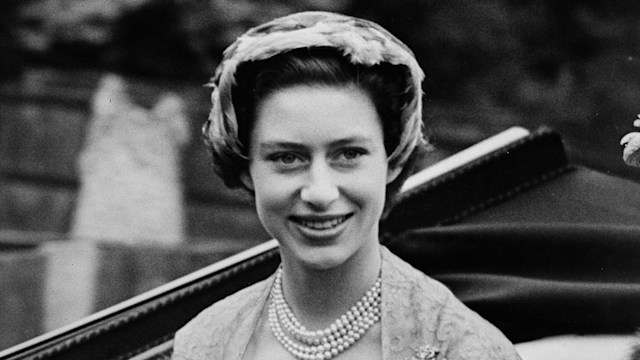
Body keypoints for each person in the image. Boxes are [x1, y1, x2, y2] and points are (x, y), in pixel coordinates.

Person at [172, 11, 521, 360]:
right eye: (287, 158)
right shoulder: (206, 343)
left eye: (349, 154)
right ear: (246, 167)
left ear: (393, 158)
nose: (320, 193)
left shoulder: (464, 348)